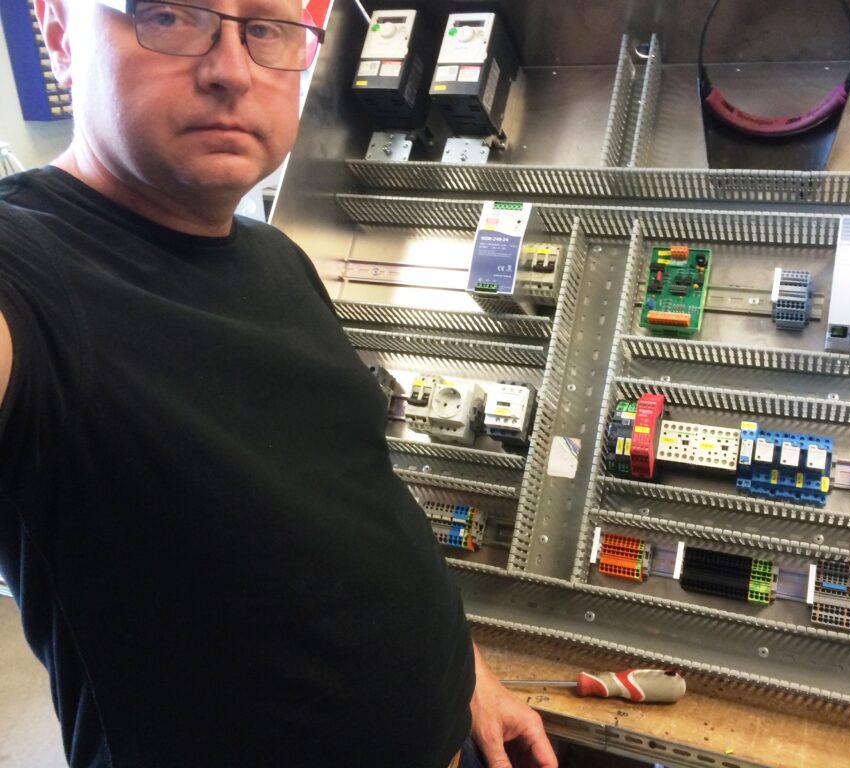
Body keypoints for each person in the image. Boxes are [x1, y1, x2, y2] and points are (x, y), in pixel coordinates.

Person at [0, 1, 558, 766]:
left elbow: (362, 496)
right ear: (61, 37)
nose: (231, 70)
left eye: (265, 27)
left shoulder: (277, 257)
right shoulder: (28, 274)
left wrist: (466, 673)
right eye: (170, 15)